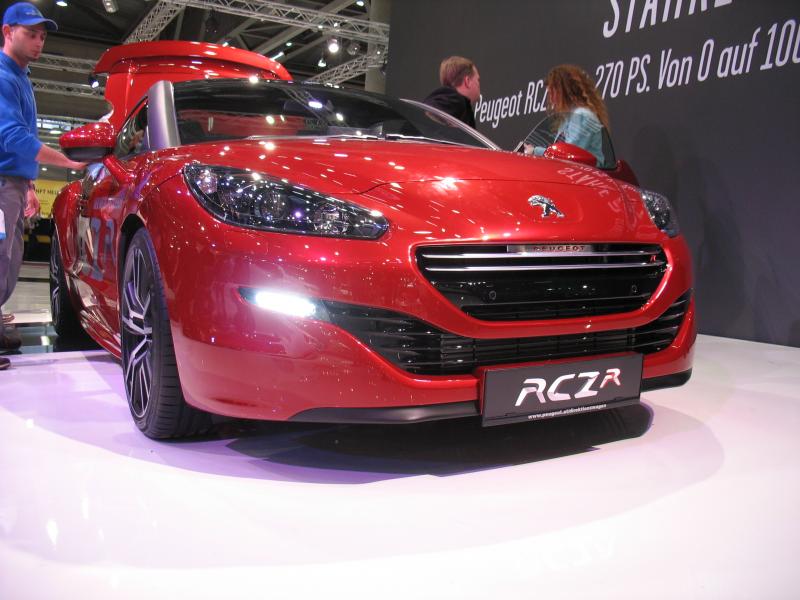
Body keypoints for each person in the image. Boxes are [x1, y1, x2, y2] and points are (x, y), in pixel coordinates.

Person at [0, 2, 86, 370]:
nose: (38, 42)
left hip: (13, 182)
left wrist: (30, 185)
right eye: (30, 34)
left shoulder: (20, 76)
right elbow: (13, 137)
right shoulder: (3, 77)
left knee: (8, 260)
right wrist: (68, 162)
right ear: (7, 32)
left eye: (42, 36)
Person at [525, 64, 610, 166]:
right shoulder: (570, 118)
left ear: (565, 91)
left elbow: (569, 154)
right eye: (549, 93)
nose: (551, 98)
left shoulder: (582, 115)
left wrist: (535, 151)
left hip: (587, 173)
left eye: (552, 92)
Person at [422, 56, 481, 127]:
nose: (479, 84)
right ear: (467, 81)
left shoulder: (462, 106)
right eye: (478, 80)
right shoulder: (455, 98)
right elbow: (427, 113)